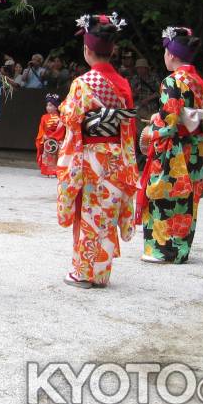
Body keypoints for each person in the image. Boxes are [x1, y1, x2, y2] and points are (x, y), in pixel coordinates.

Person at [55, 14, 137, 288]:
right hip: (115, 155)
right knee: (106, 212)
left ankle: (83, 272)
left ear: (87, 50)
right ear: (112, 50)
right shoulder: (123, 84)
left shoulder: (83, 83)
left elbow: (69, 117)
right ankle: (101, 272)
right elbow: (127, 121)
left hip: (90, 156)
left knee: (90, 212)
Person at [139, 26, 203, 264]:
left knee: (164, 198)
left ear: (171, 54)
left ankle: (162, 250)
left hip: (177, 149)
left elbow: (169, 124)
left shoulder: (173, 82)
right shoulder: (200, 82)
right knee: (187, 202)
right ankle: (181, 250)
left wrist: (152, 129)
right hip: (197, 148)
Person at [35, 93, 65, 177]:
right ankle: (48, 172)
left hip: (58, 140)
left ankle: (57, 172)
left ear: (56, 106)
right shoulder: (44, 117)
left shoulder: (61, 118)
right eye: (47, 105)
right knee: (47, 155)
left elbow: (62, 129)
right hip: (47, 139)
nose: (48, 107)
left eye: (51, 105)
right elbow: (41, 129)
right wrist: (43, 135)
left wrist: (54, 137)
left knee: (59, 155)